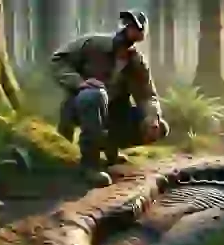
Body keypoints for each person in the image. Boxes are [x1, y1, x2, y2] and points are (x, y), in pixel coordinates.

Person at [50, 10, 169, 187]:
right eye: (130, 26)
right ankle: (90, 165)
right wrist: (79, 82)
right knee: (95, 95)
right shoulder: (94, 43)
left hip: (113, 113)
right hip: (80, 105)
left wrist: (152, 117)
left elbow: (147, 95)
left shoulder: (136, 62)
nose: (134, 30)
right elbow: (58, 60)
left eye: (138, 28)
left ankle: (109, 148)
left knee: (160, 127)